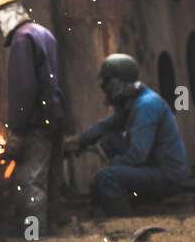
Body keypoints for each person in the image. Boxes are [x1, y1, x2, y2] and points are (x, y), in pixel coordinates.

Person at [0, 0, 67, 232]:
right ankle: (54, 231)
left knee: (29, 182)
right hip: (55, 117)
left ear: (3, 14)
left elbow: (24, 89)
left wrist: (16, 130)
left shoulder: (22, 39)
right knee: (51, 178)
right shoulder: (44, 34)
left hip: (37, 123)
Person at [70, 53, 188, 216]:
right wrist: (79, 141)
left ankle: (125, 225)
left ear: (118, 83)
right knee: (108, 137)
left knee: (106, 178)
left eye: (106, 82)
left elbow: (138, 155)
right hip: (154, 164)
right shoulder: (133, 102)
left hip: (168, 175)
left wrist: (110, 168)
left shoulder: (146, 106)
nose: (104, 88)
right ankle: (135, 196)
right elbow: (105, 126)